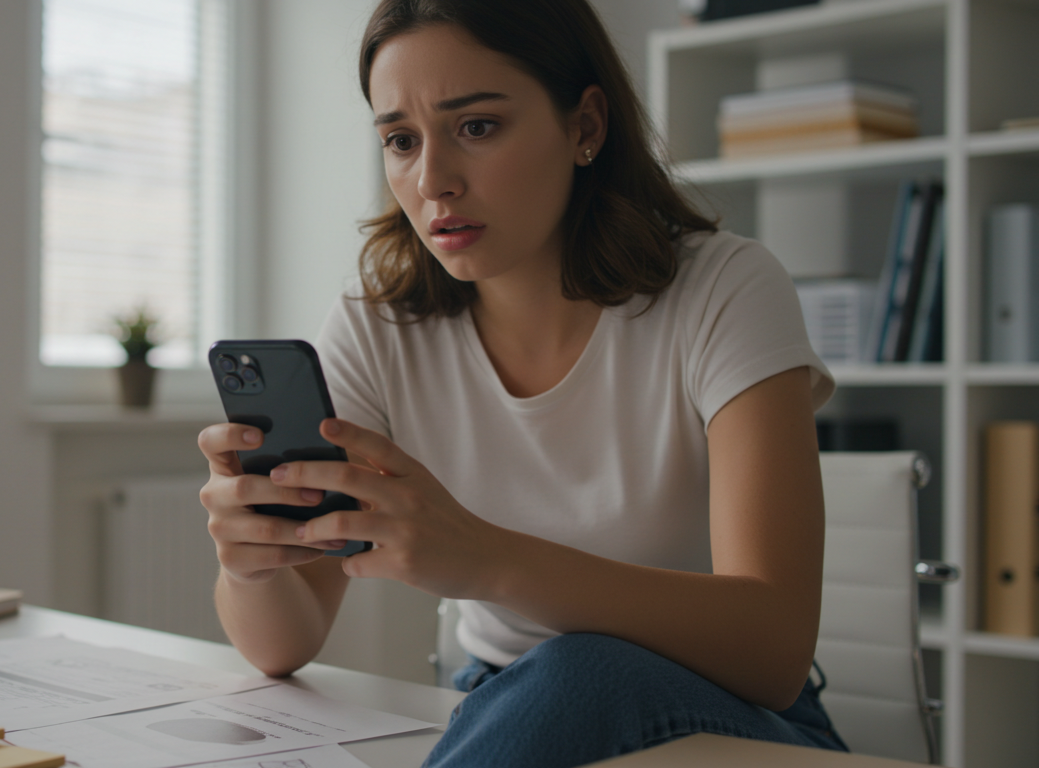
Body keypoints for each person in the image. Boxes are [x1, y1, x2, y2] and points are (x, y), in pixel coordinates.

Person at [197, 0, 848, 765]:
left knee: (581, 670)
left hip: (730, 722)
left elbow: (771, 651)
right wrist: (248, 564)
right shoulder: (380, 326)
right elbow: (284, 646)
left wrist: (485, 559)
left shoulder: (726, 289)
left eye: (476, 127)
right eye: (401, 140)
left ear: (585, 128)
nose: (433, 180)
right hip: (507, 709)